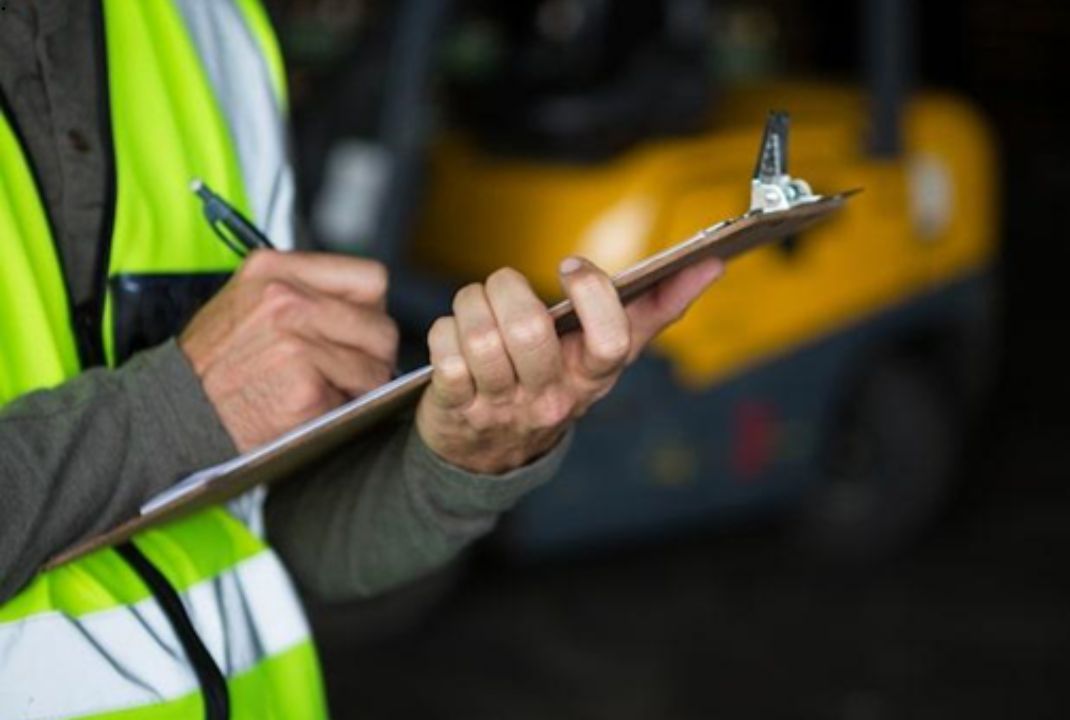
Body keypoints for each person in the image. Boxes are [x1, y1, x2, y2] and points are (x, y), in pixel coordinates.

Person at [0, 1, 722, 717]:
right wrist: (175, 409)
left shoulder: (208, 23)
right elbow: (190, 415)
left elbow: (288, 538)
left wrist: (466, 460)